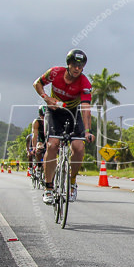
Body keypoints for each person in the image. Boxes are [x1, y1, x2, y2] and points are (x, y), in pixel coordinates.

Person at [33, 49, 94, 204]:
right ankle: (48, 188)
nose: (77, 69)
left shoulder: (85, 83)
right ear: (68, 64)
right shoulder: (54, 73)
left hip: (73, 113)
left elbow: (86, 108)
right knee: (52, 144)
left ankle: (72, 182)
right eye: (74, 65)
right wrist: (46, 98)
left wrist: (87, 131)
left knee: (79, 147)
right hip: (54, 111)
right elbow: (37, 83)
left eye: (80, 66)